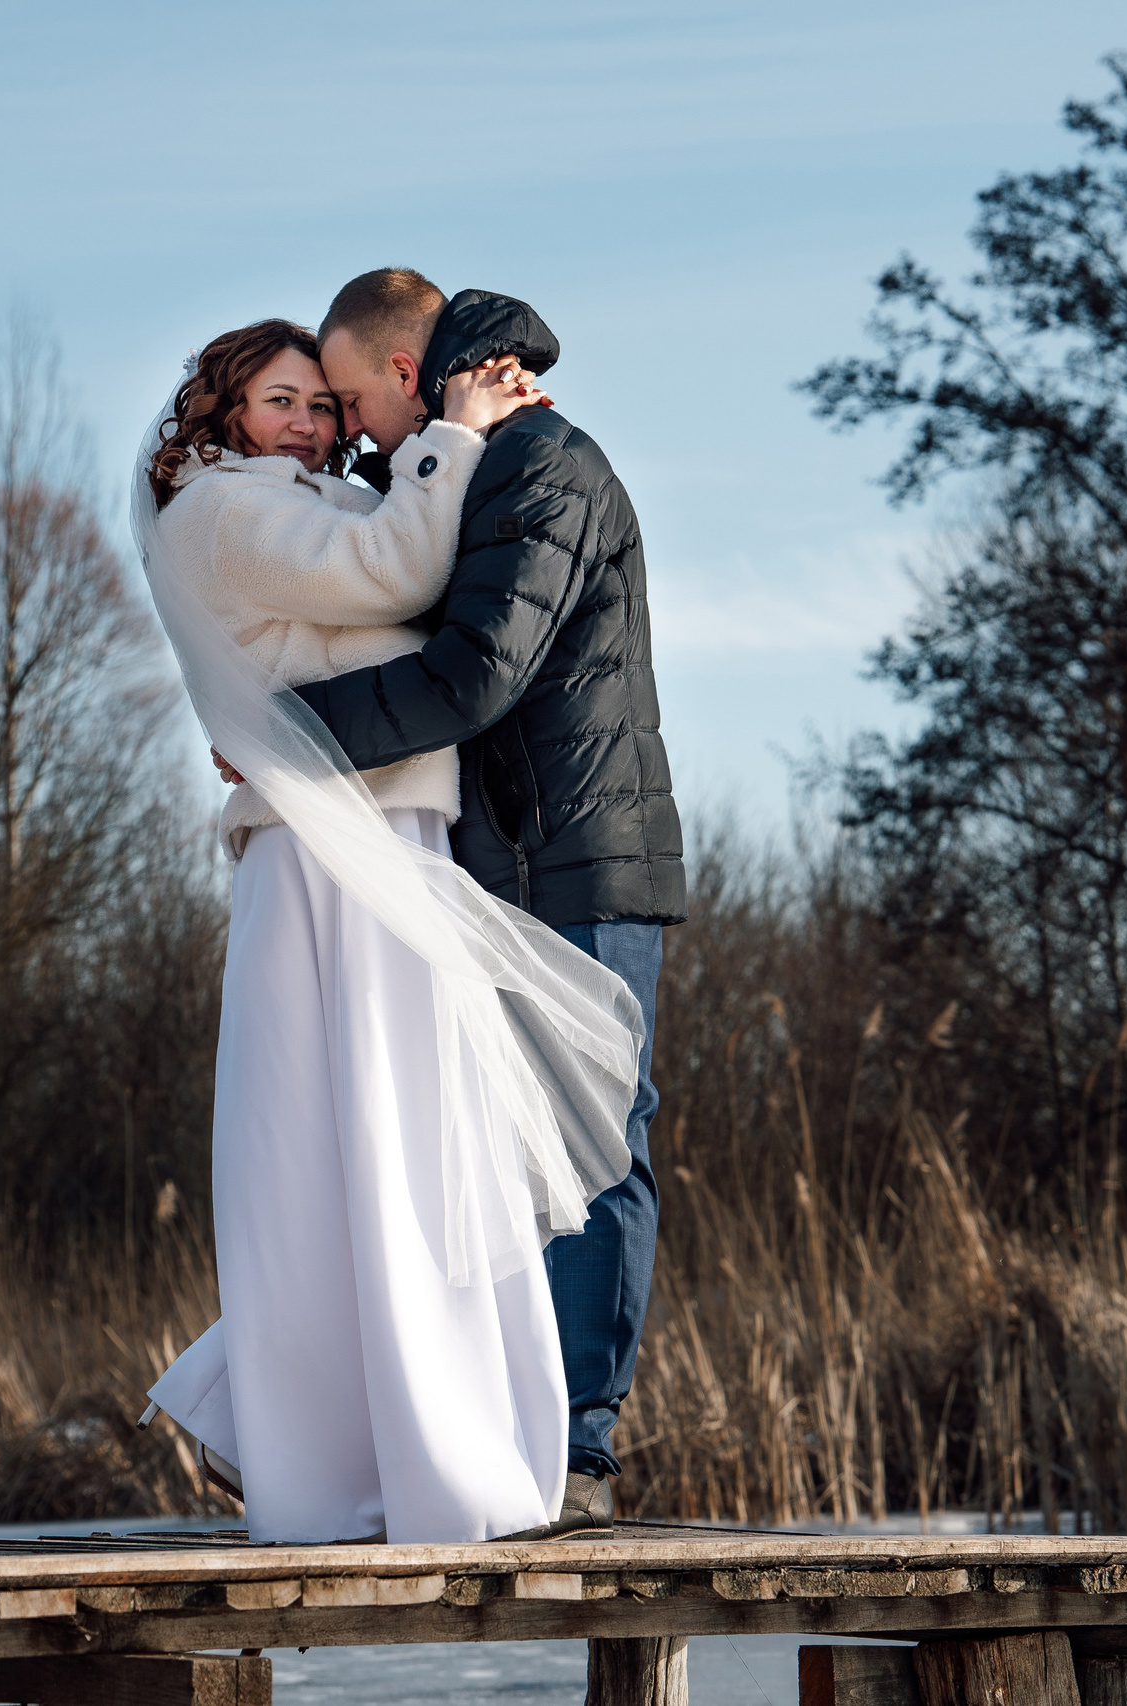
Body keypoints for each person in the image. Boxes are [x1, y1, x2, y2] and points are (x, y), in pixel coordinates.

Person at [132, 319, 643, 1545]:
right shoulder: (229, 509)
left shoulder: (296, 500)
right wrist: (457, 438)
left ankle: (377, 1429)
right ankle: (378, 1449)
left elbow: (375, 579)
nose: (313, 425)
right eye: (282, 401)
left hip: (377, 840)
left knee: (406, 1142)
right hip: (331, 859)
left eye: (322, 402)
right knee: (378, 1140)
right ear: (220, 413)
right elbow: (395, 580)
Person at [281, 269, 684, 1528]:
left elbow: (473, 674)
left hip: (578, 860)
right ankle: (496, 1430)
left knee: (593, 1142)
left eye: (350, 401)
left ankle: (578, 1451)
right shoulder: (459, 465)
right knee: (491, 1150)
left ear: (405, 375)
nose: (348, 432)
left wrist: (289, 726)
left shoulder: (543, 467)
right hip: (497, 865)